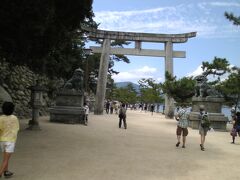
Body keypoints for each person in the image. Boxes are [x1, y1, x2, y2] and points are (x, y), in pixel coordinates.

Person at [0, 102, 20, 178]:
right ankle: (1, 173)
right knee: (6, 159)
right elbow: (17, 129)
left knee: (5, 157)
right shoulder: (14, 118)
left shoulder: (1, 118)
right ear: (12, 109)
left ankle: (6, 171)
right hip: (10, 141)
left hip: (2, 140)